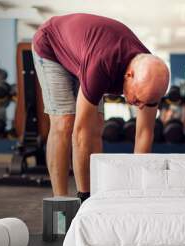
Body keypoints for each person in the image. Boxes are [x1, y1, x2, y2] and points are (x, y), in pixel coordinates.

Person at [32, 13, 169, 201]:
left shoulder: (152, 79)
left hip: (84, 52)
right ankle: (61, 203)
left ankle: (96, 195)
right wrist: (84, 197)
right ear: (128, 75)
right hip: (52, 45)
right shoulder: (102, 65)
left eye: (144, 102)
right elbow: (80, 134)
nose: (137, 105)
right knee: (66, 122)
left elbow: (144, 134)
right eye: (136, 100)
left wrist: (140, 190)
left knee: (96, 124)